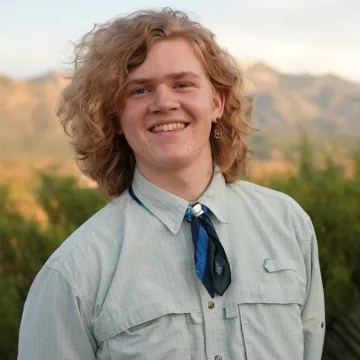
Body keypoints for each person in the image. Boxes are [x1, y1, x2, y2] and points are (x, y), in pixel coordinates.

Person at [18, 8, 325, 360]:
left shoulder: (289, 225)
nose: (164, 102)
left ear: (216, 102)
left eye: (182, 84)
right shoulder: (73, 274)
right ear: (116, 118)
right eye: (139, 90)